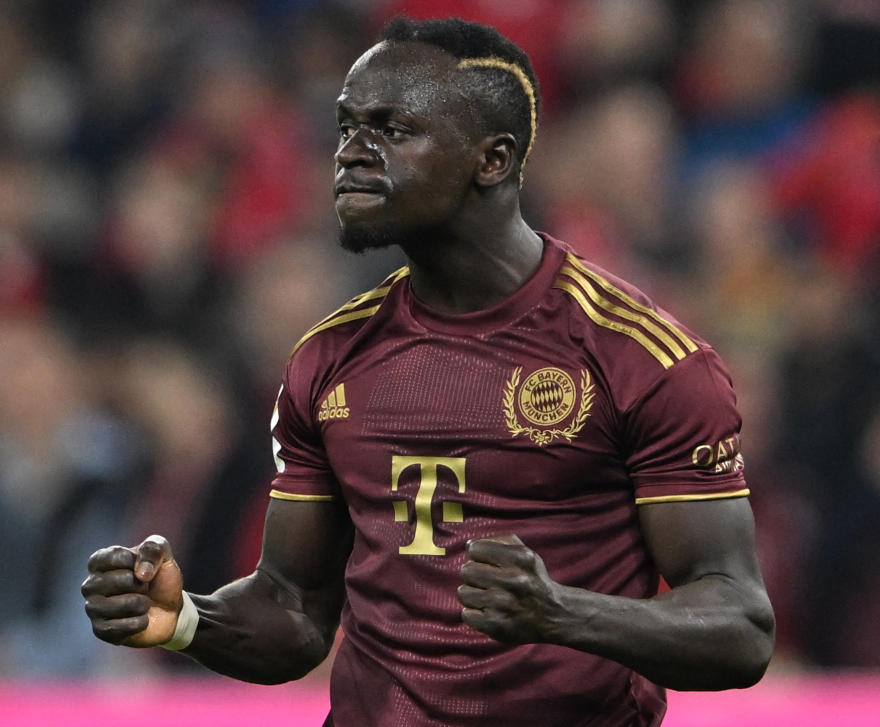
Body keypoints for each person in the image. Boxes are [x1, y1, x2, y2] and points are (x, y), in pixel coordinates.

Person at [82, 16, 775, 726]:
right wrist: (185, 618)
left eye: (391, 129)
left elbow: (741, 626)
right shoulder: (328, 359)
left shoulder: (640, 358)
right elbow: (294, 610)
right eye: (347, 127)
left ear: (492, 160)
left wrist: (566, 613)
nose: (351, 153)